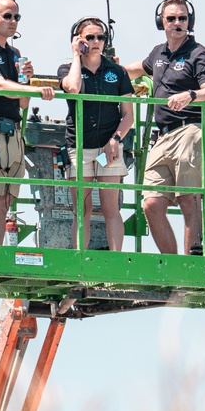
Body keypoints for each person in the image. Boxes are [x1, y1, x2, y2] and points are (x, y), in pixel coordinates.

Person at [123, 0, 205, 255]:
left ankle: (190, 268)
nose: (177, 23)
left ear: (190, 22)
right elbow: (132, 70)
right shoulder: (158, 53)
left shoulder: (199, 54)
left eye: (182, 18)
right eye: (171, 19)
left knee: (189, 199)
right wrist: (98, 67)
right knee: (151, 203)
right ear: (161, 22)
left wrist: (190, 95)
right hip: (163, 136)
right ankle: (173, 265)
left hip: (191, 131)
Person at [0, 0, 55, 245]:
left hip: (13, 130)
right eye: (7, 16)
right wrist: (35, 89)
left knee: (5, 199)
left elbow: (22, 102)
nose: (13, 21)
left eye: (16, 16)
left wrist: (26, 80)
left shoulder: (14, 53)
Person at [57, 17, 134, 251]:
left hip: (107, 148)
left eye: (100, 37)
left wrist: (115, 140)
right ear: (79, 40)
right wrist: (75, 56)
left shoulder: (117, 72)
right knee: (83, 209)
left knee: (111, 208)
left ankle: (117, 261)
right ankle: (80, 261)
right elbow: (72, 87)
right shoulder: (67, 69)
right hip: (79, 148)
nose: (96, 41)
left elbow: (128, 115)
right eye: (90, 37)